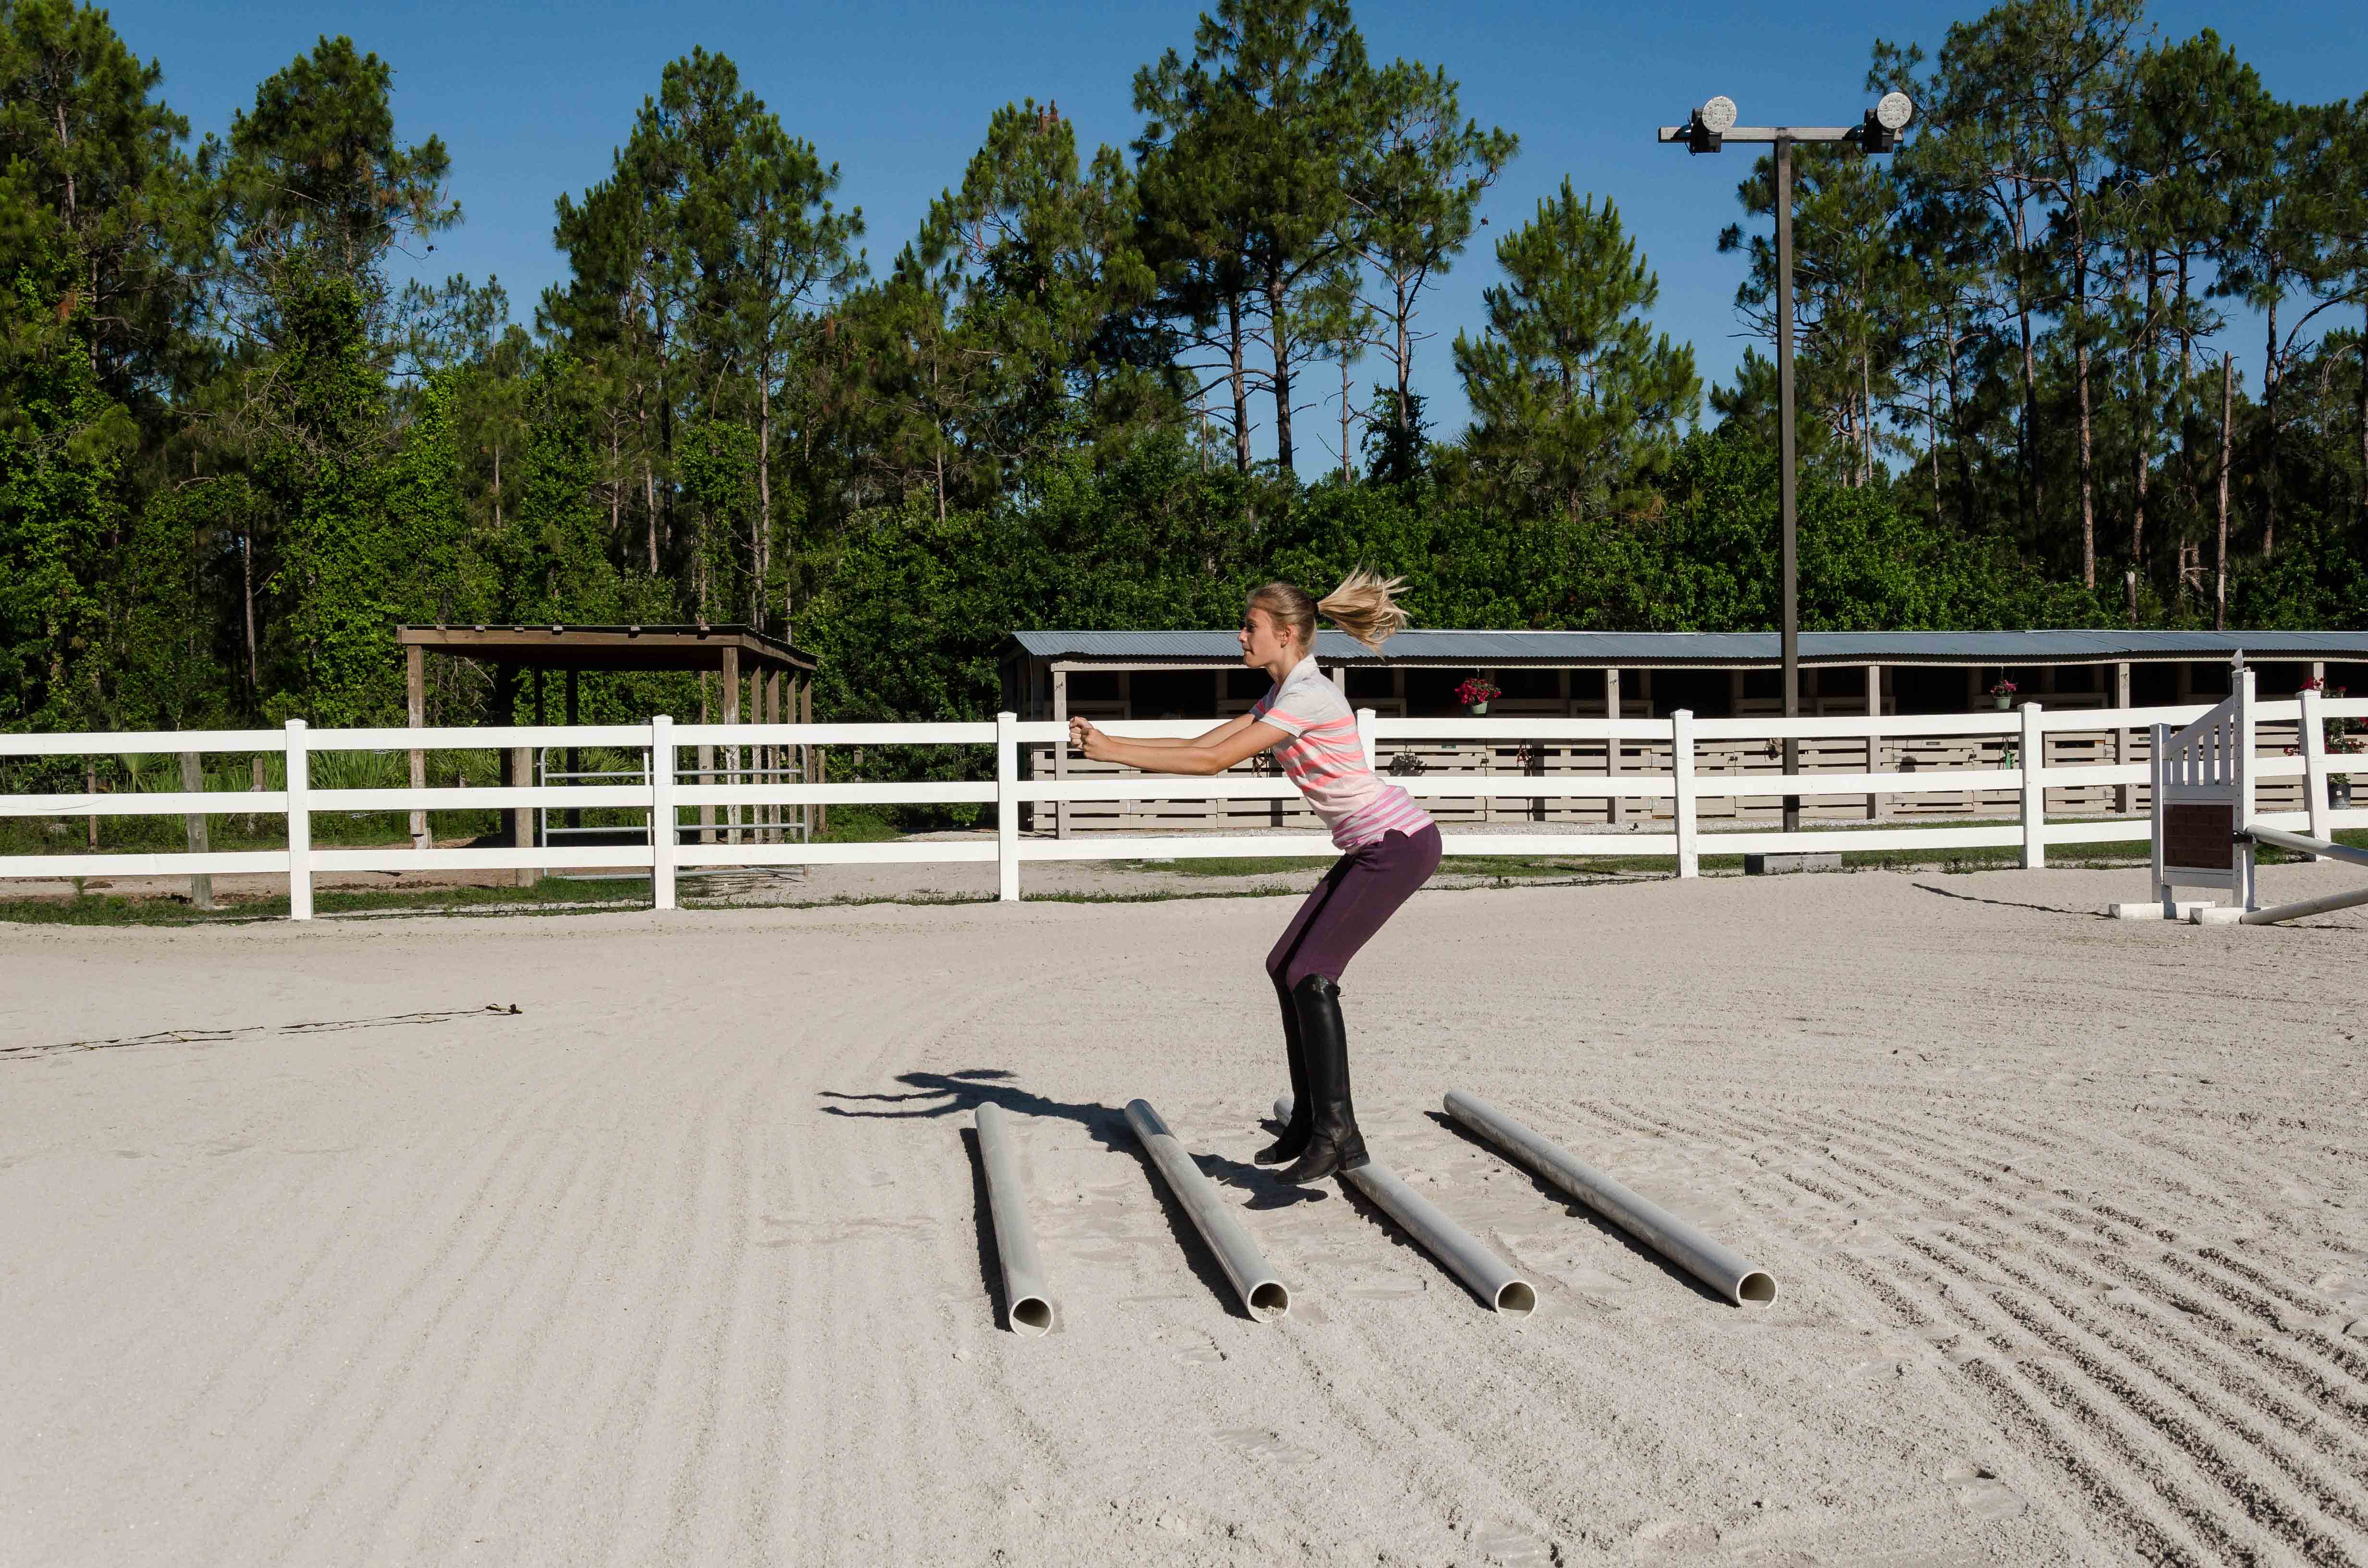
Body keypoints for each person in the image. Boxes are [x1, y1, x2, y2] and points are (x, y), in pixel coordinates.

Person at [1069, 570, 1442, 1183]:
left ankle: (1337, 1130)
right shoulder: (1282, 694)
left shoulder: (1308, 696)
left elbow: (1213, 762)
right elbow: (1208, 742)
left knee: (1310, 973)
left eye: (1250, 626)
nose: (1239, 634)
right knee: (1283, 966)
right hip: (1372, 846)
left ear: (1286, 634)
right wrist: (1116, 743)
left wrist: (1113, 753)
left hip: (1396, 846)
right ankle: (1313, 1124)